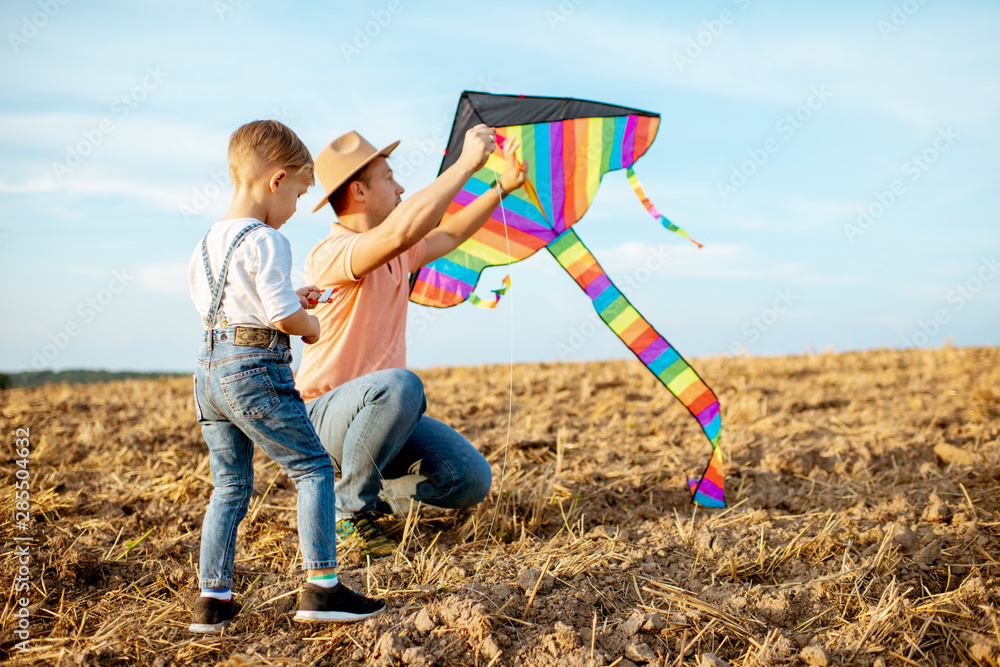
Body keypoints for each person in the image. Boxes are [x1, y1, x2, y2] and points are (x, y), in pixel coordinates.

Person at [294, 125, 528, 558]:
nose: (400, 187)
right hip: (324, 417)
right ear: (359, 191)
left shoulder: (398, 251)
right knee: (401, 385)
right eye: (389, 178)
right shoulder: (332, 253)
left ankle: (349, 493)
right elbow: (396, 234)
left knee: (470, 479)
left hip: (380, 415)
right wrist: (464, 165)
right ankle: (346, 512)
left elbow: (452, 233)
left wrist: (504, 187)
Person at [187, 120, 384, 632]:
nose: (296, 207)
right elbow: (282, 320)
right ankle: (322, 588)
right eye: (298, 193)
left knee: (229, 484)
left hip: (209, 373)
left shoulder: (207, 242)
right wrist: (310, 324)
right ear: (276, 181)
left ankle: (213, 600)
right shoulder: (267, 240)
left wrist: (291, 301)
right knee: (313, 469)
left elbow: (233, 307)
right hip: (255, 370)